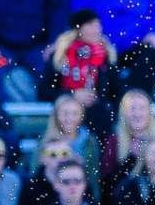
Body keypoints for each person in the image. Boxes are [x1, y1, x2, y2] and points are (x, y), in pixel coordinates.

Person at [69, 0, 155, 96]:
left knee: (154, 50)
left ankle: (134, 101)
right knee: (91, 55)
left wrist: (154, 32)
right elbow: (78, 15)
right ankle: (114, 102)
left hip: (136, 46)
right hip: (99, 47)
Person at [38, 9, 122, 143]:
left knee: (101, 115)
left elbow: (116, 92)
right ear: (78, 29)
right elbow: (44, 91)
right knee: (70, 112)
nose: (97, 29)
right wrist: (72, 94)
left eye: (98, 24)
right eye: (90, 25)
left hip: (97, 113)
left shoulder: (106, 55)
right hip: (65, 111)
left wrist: (99, 99)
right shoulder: (60, 55)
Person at [0, 0, 69, 101]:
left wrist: (54, 42)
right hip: (2, 50)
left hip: (38, 48)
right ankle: (2, 115)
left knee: (51, 71)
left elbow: (58, 11)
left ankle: (47, 115)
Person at [102, 90, 155, 190]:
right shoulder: (114, 141)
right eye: (132, 109)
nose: (137, 114)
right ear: (123, 113)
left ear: (149, 112)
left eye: (142, 108)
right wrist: (130, 157)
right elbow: (107, 179)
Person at [33, 95, 101, 201]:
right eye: (65, 113)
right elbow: (35, 170)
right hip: (49, 194)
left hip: (81, 194)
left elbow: (93, 175)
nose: (70, 118)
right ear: (56, 115)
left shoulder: (90, 141)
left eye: (75, 114)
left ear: (81, 116)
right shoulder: (45, 140)